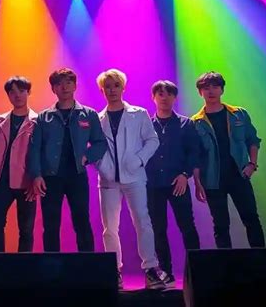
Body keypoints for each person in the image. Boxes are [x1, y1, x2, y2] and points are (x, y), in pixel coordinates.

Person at [96, 69, 165, 290]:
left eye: (116, 85)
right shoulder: (97, 118)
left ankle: (151, 269)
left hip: (134, 177)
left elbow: (152, 140)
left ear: (123, 88)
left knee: (143, 221)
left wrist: (138, 160)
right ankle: (113, 270)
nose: (112, 90)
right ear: (102, 90)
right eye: (108, 86)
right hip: (108, 180)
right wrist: (103, 167)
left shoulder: (139, 113)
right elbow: (93, 147)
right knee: (109, 227)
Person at [27, 68, 108, 252]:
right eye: (59, 84)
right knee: (50, 224)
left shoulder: (88, 114)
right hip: (50, 177)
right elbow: (34, 149)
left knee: (82, 221)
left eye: (68, 83)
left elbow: (100, 143)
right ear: (53, 88)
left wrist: (87, 157)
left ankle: (86, 264)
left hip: (77, 175)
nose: (64, 87)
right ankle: (52, 265)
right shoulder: (43, 117)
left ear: (75, 86)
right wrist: (36, 175)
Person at [192, 71, 265, 249]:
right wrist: (197, 182)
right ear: (200, 92)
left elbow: (253, 140)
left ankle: (262, 261)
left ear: (222, 90)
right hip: (212, 179)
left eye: (215, 87)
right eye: (206, 88)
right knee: (221, 225)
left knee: (251, 218)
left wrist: (252, 164)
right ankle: (226, 264)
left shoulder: (239, 114)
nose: (211, 91)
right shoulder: (195, 122)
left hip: (239, 175)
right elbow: (195, 155)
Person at [147, 80, 200, 288]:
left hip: (178, 182)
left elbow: (194, 152)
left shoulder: (186, 124)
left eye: (169, 93)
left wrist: (185, 174)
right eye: (160, 93)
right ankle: (166, 273)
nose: (164, 97)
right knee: (158, 229)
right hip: (153, 184)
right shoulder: (146, 125)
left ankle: (196, 270)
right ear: (153, 97)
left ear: (175, 97)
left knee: (187, 226)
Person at [0, 76, 37, 253]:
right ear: (8, 95)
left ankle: (22, 267)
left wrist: (36, 179)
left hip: (26, 182)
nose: (17, 95)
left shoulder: (38, 122)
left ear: (28, 92)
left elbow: (42, 153)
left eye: (21, 90)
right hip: (1, 181)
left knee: (26, 229)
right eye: (12, 92)